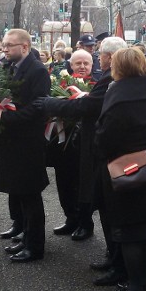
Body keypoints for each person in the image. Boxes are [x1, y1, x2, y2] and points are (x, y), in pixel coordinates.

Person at [36, 37, 127, 276]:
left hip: (98, 149)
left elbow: (85, 107)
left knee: (99, 198)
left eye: (97, 56)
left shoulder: (108, 80)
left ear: (109, 57)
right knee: (69, 184)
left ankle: (116, 258)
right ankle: (111, 253)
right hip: (77, 145)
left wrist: (50, 104)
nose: (96, 59)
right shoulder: (112, 79)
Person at [94, 47, 146, 291]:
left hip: (125, 168)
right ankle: (140, 283)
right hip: (143, 165)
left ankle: (136, 289)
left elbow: (108, 135)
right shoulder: (143, 90)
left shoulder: (122, 96)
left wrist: (98, 143)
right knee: (140, 231)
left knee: (130, 231)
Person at [0, 29, 50, 263]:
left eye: (9, 45)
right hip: (12, 141)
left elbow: (38, 108)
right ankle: (25, 238)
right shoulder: (9, 67)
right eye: (3, 45)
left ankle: (35, 247)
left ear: (25, 47)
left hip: (27, 143)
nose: (4, 49)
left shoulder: (37, 70)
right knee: (20, 194)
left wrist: (5, 118)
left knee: (30, 196)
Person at [46, 49, 93, 240]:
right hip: (63, 143)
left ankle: (85, 223)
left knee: (82, 186)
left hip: (84, 145)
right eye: (78, 63)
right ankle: (70, 218)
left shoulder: (97, 86)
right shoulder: (61, 84)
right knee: (64, 183)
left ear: (91, 66)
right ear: (71, 65)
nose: (82, 67)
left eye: (85, 63)